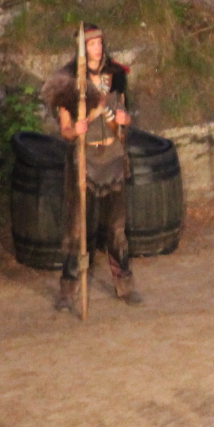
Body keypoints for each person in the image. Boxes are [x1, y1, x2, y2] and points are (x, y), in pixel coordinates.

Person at [41, 23, 137, 308]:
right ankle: (68, 292)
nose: (97, 48)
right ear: (82, 49)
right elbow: (65, 129)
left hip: (114, 157)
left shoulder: (116, 75)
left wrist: (125, 120)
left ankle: (125, 287)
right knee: (77, 230)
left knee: (117, 229)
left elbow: (124, 114)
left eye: (99, 43)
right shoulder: (69, 81)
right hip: (85, 160)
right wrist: (76, 129)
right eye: (91, 44)